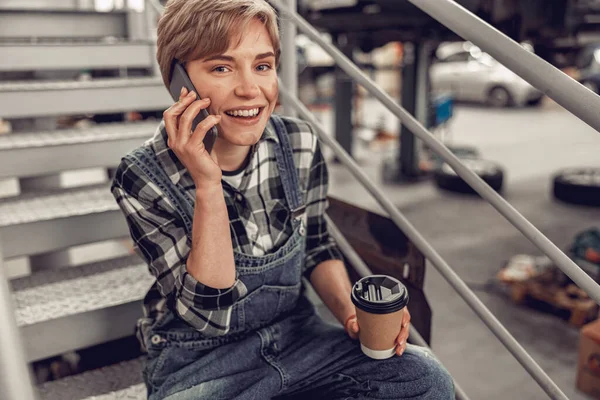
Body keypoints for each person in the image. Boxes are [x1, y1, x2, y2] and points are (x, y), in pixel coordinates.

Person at [110, 0, 455, 398]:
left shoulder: (298, 142)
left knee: (424, 377)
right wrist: (207, 184)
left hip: (298, 337)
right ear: (178, 80)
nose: (249, 89)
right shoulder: (141, 176)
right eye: (221, 67)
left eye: (262, 65)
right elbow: (212, 313)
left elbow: (315, 246)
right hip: (202, 362)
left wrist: (350, 315)